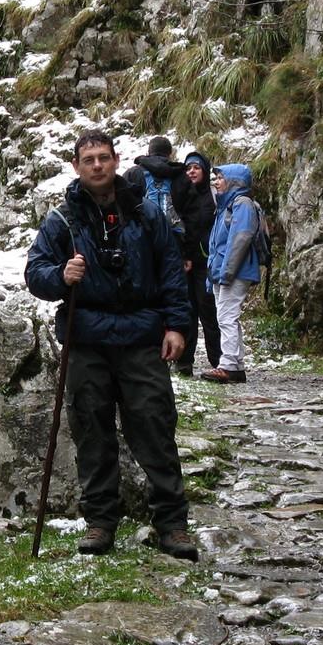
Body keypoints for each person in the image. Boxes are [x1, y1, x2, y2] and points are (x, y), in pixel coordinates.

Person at [25, 129, 199, 562]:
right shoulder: (62, 219)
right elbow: (35, 273)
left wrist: (177, 327)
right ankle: (100, 522)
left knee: (154, 426)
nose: (98, 165)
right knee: (92, 431)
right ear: (76, 166)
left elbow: (172, 273)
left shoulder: (145, 213)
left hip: (141, 336)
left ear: (117, 160)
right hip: (87, 340)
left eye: (104, 157)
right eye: (89, 160)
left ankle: (172, 524)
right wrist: (61, 276)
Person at [202, 164, 262, 384]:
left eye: (220, 178)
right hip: (225, 271)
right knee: (226, 317)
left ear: (235, 181)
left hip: (235, 271)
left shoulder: (241, 204)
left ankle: (228, 365)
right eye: (216, 178)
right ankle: (236, 365)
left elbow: (240, 239)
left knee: (227, 317)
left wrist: (227, 272)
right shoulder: (226, 206)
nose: (216, 182)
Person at [177, 152, 220, 376]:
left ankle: (218, 361)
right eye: (188, 168)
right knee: (187, 312)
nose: (191, 171)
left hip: (207, 263)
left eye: (196, 167)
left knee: (209, 311)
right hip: (185, 262)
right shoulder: (180, 194)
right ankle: (184, 362)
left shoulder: (214, 196)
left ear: (205, 170)